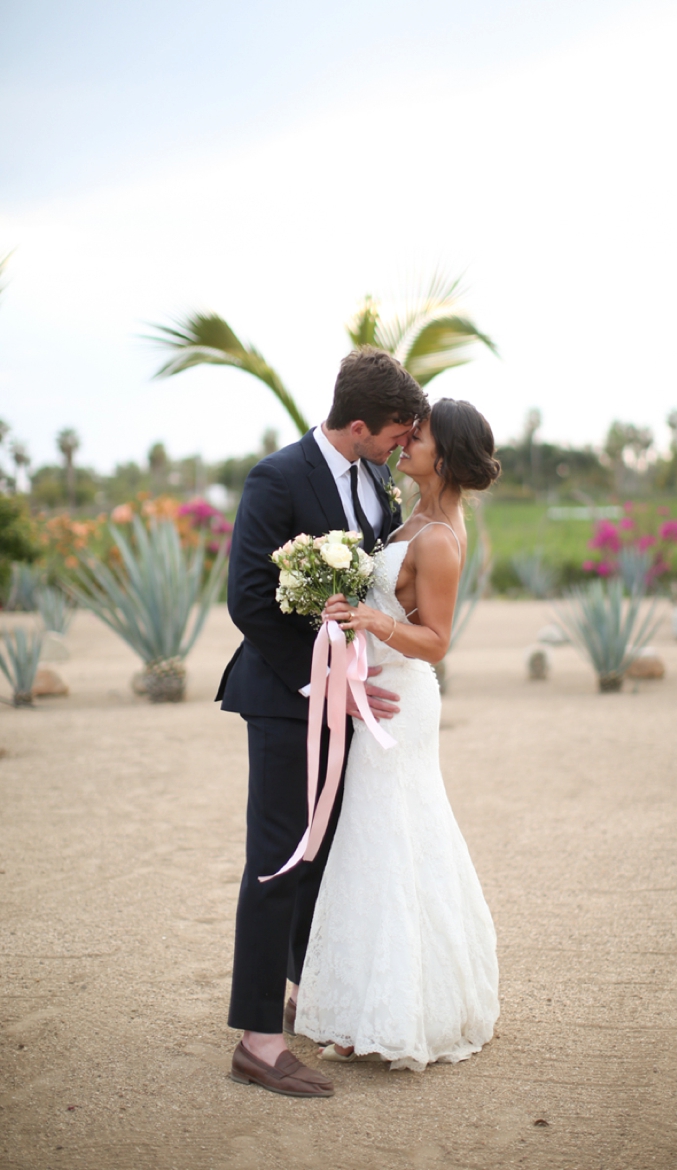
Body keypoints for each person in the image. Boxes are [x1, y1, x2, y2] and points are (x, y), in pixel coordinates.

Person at [218, 347, 429, 1098]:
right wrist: (328, 681)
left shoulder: (377, 484)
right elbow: (248, 599)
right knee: (279, 861)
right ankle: (258, 1041)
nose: (404, 448)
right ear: (361, 425)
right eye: (398, 435)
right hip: (285, 699)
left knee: (327, 861)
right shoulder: (277, 478)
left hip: (354, 702)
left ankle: (311, 995)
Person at [295, 398, 501, 1070]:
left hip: (401, 704)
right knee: (378, 841)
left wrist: (371, 622)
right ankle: (366, 1004)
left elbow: (436, 641)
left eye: (422, 437)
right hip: (373, 694)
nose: (407, 442)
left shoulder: (439, 538)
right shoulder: (411, 514)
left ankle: (399, 1008)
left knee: (390, 839)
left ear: (445, 457)